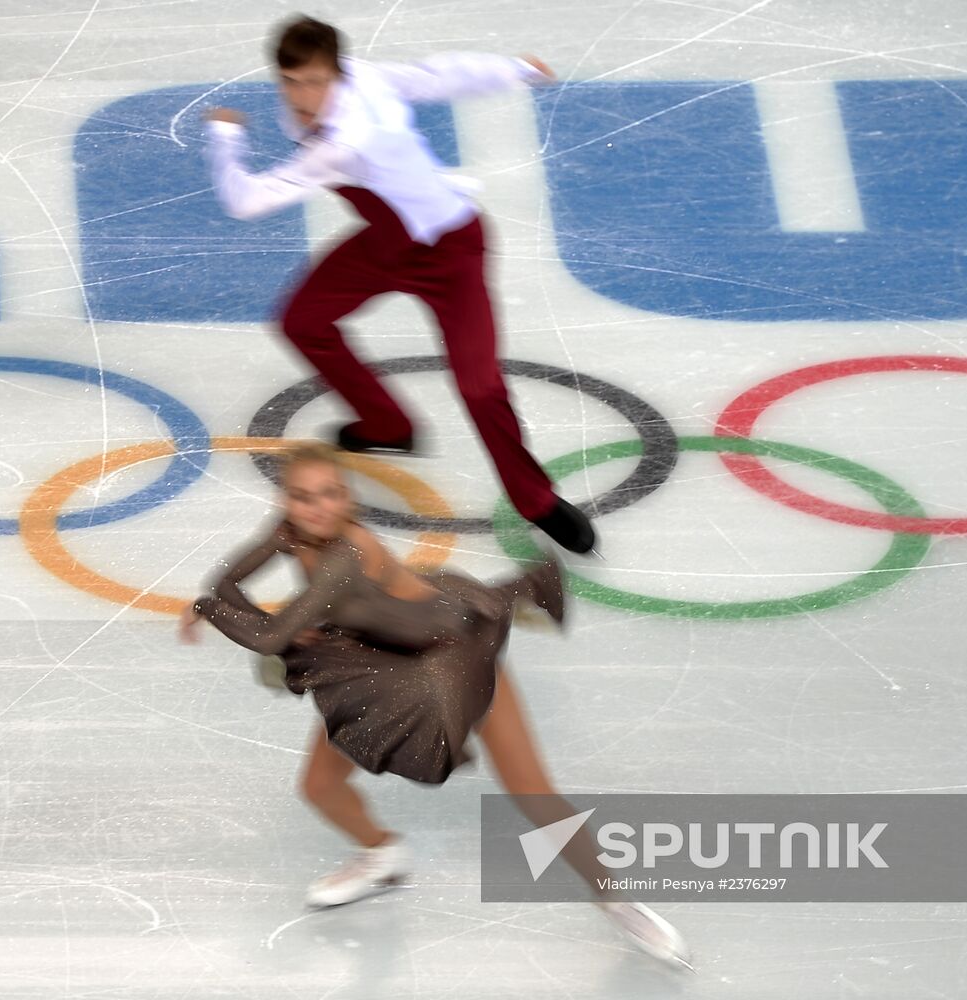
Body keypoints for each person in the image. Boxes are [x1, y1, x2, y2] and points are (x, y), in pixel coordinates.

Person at [178, 442, 691, 970]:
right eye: (303, 497)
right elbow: (229, 583)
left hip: (455, 659)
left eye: (331, 494)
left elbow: (265, 634)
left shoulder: (347, 558)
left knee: (532, 792)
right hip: (384, 664)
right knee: (319, 787)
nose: (318, 508)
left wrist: (212, 610)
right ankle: (382, 854)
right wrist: (234, 608)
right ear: (286, 501)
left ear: (347, 497)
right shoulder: (288, 531)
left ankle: (615, 898)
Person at [201, 14, 597, 554]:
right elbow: (435, 77)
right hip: (385, 244)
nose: (302, 95)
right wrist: (512, 69)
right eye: (291, 82)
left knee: (479, 385)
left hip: (451, 253)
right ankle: (387, 425)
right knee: (302, 321)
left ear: (336, 75)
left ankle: (537, 501)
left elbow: (246, 201)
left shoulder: (344, 142)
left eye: (314, 81)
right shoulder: (359, 81)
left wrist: (224, 136)